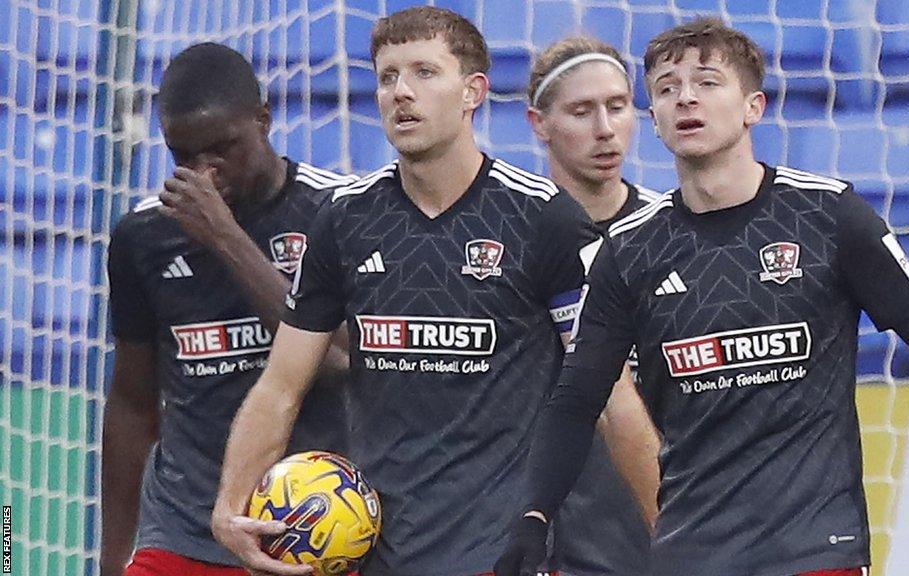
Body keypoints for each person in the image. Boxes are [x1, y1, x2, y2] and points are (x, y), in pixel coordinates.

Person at [496, 16, 909, 576]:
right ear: (655, 119)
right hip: (691, 555)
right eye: (668, 89)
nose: (685, 99)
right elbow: (577, 399)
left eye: (706, 82)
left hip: (817, 550)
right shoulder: (629, 252)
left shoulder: (827, 217)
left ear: (754, 106)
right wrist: (534, 514)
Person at [211, 7, 656, 576]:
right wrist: (229, 506)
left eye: (424, 72)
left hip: (498, 555)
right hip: (375, 554)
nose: (401, 93)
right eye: (388, 76)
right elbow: (280, 386)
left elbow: (612, 400)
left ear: (472, 92)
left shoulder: (543, 220)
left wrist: (670, 536)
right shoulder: (345, 220)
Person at [100, 43, 354, 576]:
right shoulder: (143, 237)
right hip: (182, 528)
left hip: (312, 531)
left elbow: (335, 363)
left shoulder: (337, 211)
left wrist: (225, 238)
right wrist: (112, 556)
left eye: (223, 148)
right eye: (184, 157)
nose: (204, 173)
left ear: (263, 121)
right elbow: (131, 402)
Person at [524, 36, 660, 576]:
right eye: (582, 111)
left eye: (618, 106)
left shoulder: (669, 234)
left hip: (653, 516)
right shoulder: (511, 235)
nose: (605, 129)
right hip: (535, 520)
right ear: (540, 123)